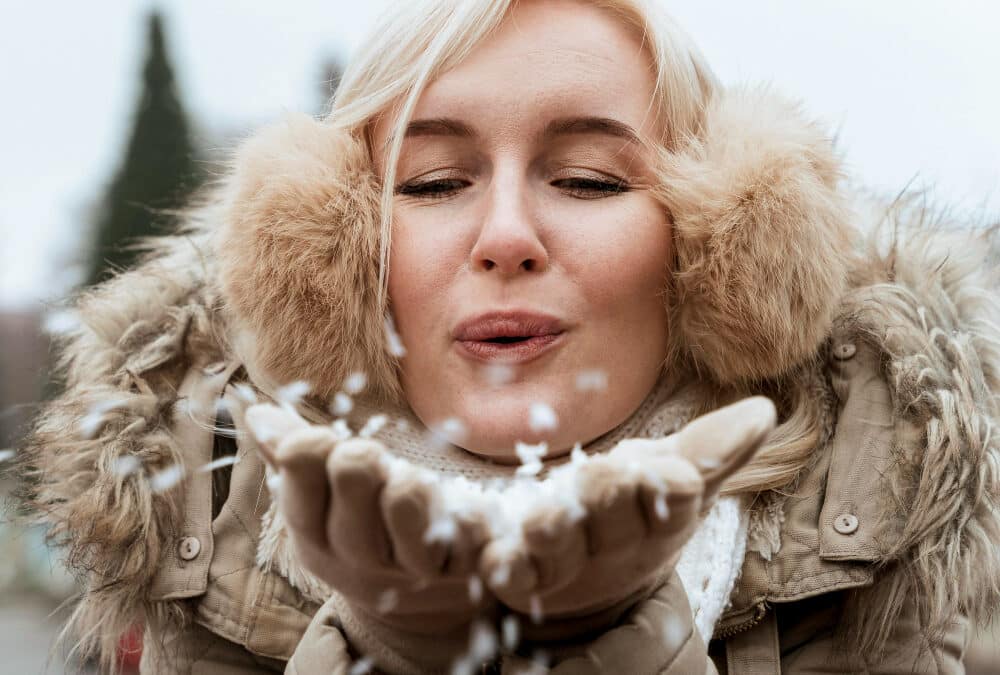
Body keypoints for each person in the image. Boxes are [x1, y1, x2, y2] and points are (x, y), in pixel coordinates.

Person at [15, 0, 1000, 673]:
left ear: (723, 251)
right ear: (329, 254)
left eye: (588, 179)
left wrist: (615, 641)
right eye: (438, 182)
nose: (505, 238)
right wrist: (393, 648)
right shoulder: (194, 519)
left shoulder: (930, 559)